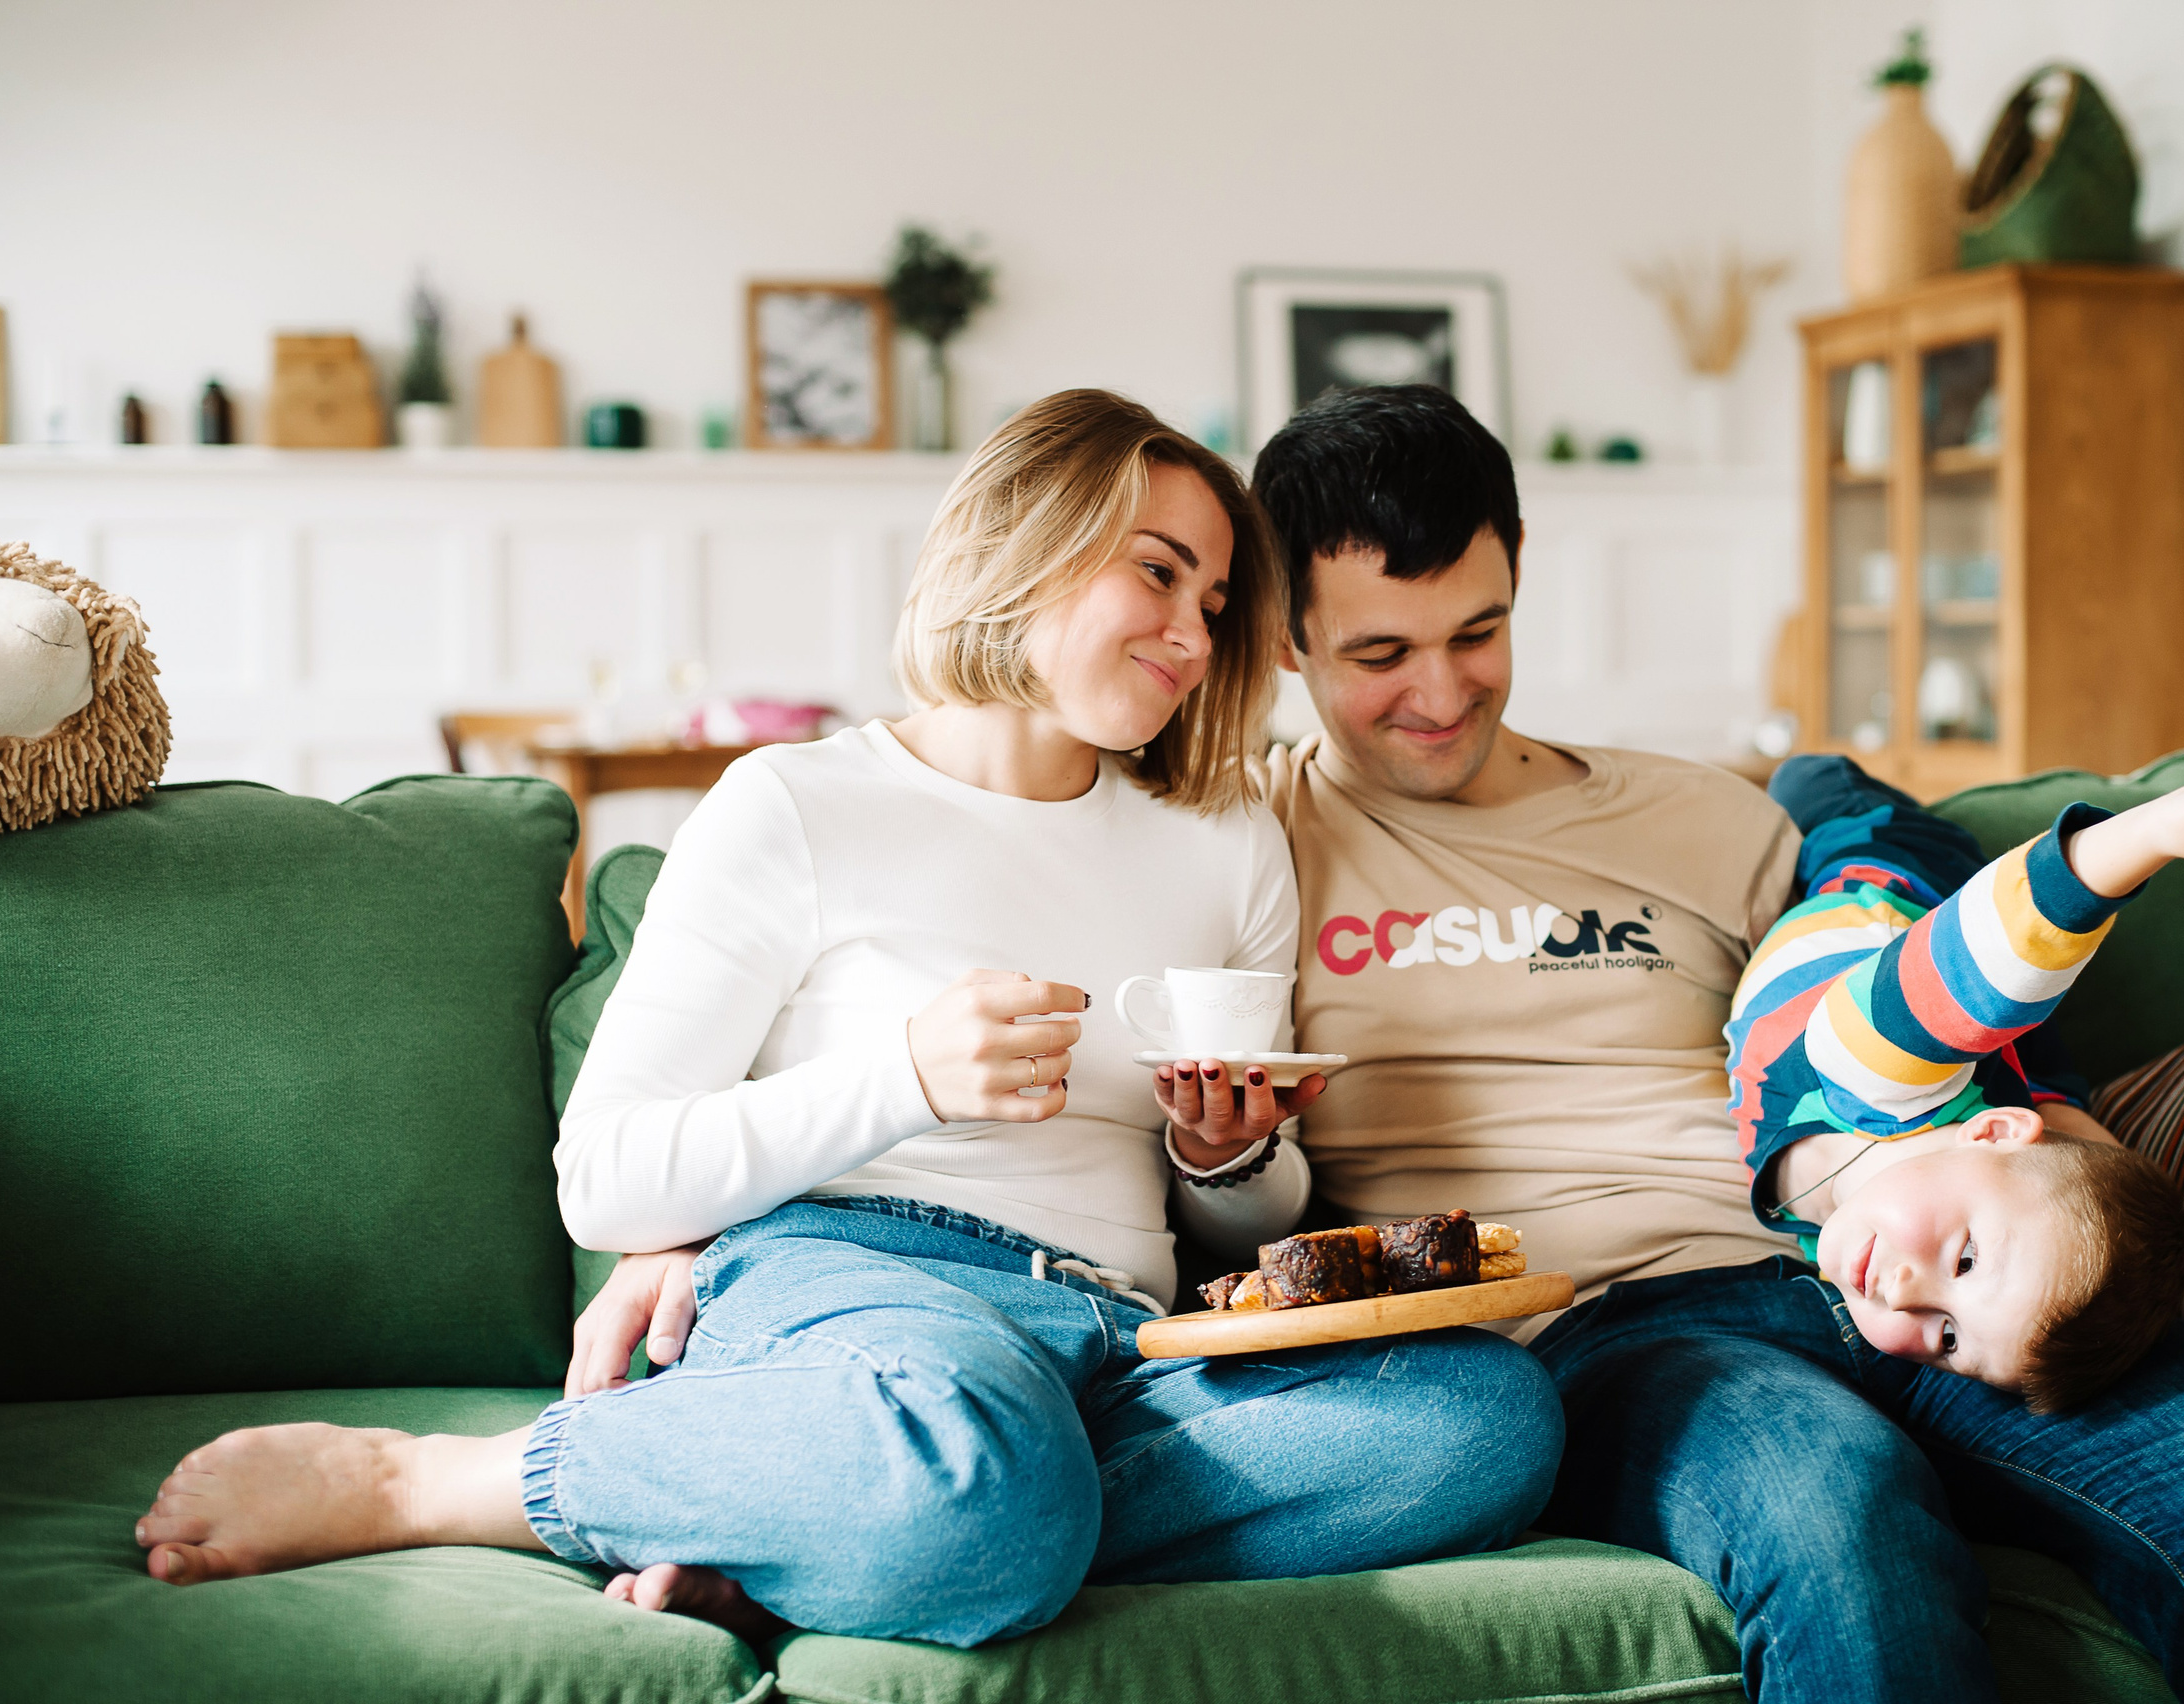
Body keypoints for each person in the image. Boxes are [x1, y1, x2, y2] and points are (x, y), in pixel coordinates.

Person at [132, 388, 1563, 1645]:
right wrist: (903, 1079)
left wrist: (1224, 1164)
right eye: (1159, 574)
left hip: (1120, 1337)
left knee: (1483, 1421)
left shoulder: (1222, 837)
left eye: (1215, 600)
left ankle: (825, 1534)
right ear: (1025, 546)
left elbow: (1239, 1237)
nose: (1195, 633)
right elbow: (608, 1174)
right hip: (866, 1297)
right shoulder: (797, 805)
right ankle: (454, 1483)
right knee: (976, 1466)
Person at [1248, 383, 2184, 1704]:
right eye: (1378, 655)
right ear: (1287, 636)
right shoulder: (1246, 848)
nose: (1440, 690)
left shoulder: (1701, 820)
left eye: (1479, 631)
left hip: (1889, 1260)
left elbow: (1898, 1004)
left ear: (1518, 567)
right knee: (1837, 1505)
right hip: (1612, 1331)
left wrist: (2045, 1111)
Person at [1729, 754, 2184, 1408]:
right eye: (1964, 1261)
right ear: (1990, 1132)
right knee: (1806, 780)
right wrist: (2146, 837)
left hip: (2000, 1091)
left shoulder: (1836, 1238)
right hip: (1901, 880)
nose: (1906, 1294)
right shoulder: (1874, 1068)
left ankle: (2049, 1102)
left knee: (2040, 1091)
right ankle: (2047, 1101)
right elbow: (1991, 958)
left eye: (1949, 1340)